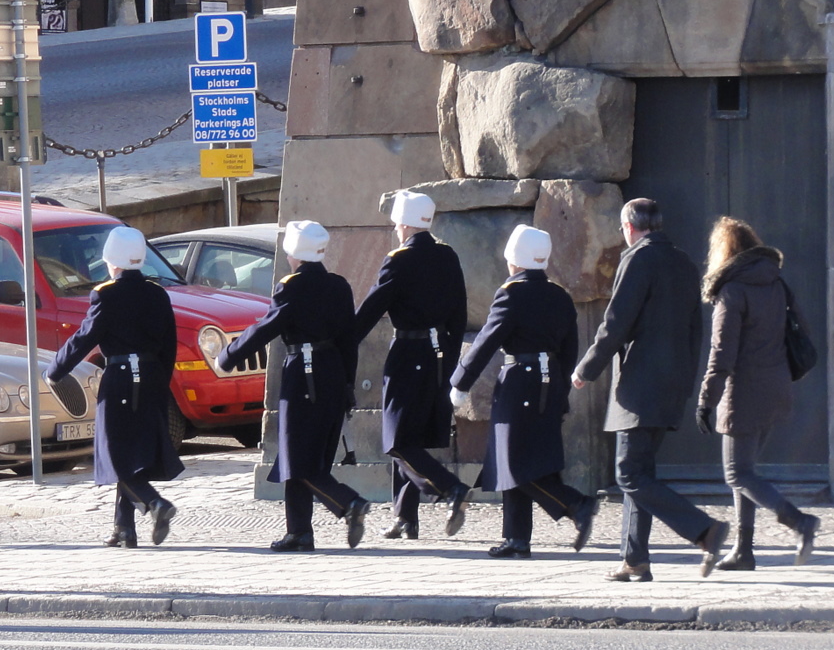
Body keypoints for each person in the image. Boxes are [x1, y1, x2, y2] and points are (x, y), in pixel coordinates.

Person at [572, 198, 730, 580]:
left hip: (640, 385)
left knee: (628, 473)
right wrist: (686, 381)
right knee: (640, 473)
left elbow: (615, 323)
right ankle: (635, 559)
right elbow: (695, 330)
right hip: (671, 384)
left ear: (629, 226)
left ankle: (704, 530)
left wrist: (586, 368)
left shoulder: (638, 259)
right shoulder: (683, 262)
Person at [217, 221, 370, 552]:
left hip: (304, 375)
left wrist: (229, 355)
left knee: (297, 457)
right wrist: (347, 385)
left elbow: (266, 328)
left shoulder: (292, 287)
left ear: (294, 254)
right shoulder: (339, 285)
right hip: (332, 373)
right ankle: (299, 532)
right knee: (302, 456)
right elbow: (349, 341)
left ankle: (348, 503)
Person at [450, 225, 598, 559]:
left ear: (514, 259)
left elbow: (487, 341)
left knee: (512, 461)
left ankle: (576, 504)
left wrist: (461, 381)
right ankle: (516, 537)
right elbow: (569, 349)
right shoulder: (559, 295)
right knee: (516, 458)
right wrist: (560, 390)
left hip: (519, 381)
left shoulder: (511, 293)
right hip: (549, 382)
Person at [46, 226, 183, 548]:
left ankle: (154, 503)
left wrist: (56, 370)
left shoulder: (106, 294)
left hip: (120, 378)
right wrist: (159, 381)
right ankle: (124, 528)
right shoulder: (157, 293)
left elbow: (85, 337)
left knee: (114, 453)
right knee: (132, 452)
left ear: (113, 261)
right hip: (151, 377)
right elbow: (170, 345)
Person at [697, 217, 820, 569]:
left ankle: (799, 521)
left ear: (722, 252)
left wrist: (706, 399)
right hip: (776, 387)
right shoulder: (776, 282)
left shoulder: (732, 291)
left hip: (744, 392)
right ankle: (743, 551)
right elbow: (800, 329)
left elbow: (722, 353)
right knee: (746, 472)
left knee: (736, 473)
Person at [354, 190, 472, 540]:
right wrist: (450, 359)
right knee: (409, 436)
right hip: (440, 354)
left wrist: (343, 340)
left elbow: (371, 309)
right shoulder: (447, 255)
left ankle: (451, 488)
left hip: (409, 353)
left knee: (397, 440)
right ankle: (405, 516)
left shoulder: (399, 260)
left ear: (404, 224)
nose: (395, 229)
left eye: (396, 224)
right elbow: (459, 314)